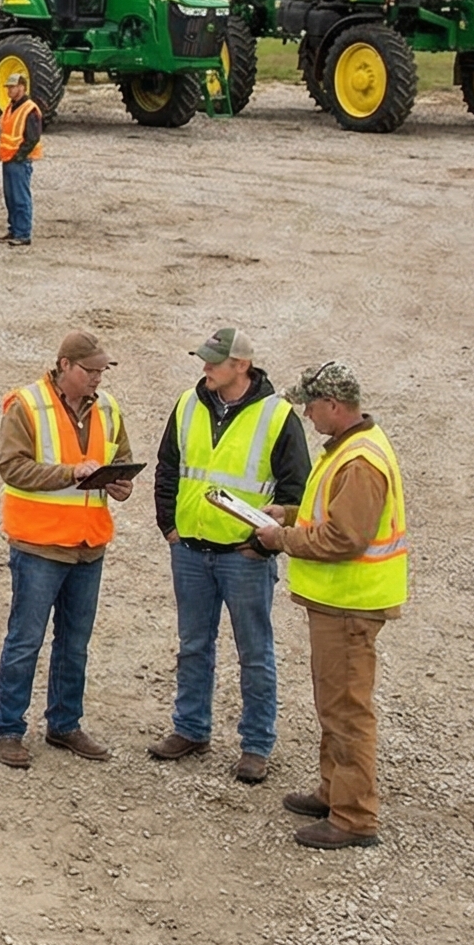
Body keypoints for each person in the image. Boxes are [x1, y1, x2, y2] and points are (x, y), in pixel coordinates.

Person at [253, 362, 408, 850]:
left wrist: (283, 537)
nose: (308, 413)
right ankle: (333, 791)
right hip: (339, 603)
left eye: (312, 404)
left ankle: (354, 816)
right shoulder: (351, 450)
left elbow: (344, 537)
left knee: (346, 710)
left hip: (350, 605)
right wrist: (294, 513)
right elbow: (335, 516)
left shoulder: (359, 461)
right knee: (334, 703)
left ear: (335, 406)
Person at [147, 327, 312, 784]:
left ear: (241, 366)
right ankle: (190, 728)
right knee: (193, 647)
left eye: (214, 361)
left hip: (246, 557)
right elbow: (168, 468)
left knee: (254, 653)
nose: (205, 368)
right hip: (192, 550)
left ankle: (256, 746)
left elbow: (298, 490)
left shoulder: (278, 417)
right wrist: (171, 527)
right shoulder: (186, 404)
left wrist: (262, 543)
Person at [0, 330, 134, 768]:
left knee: (75, 643)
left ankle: (64, 724)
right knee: (26, 640)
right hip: (40, 544)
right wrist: (70, 473)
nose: (97, 379)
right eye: (90, 371)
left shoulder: (107, 408)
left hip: (89, 544)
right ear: (65, 366)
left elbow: (121, 455)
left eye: (101, 370)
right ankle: (10, 729)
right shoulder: (27, 406)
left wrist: (119, 482)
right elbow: (12, 469)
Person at [0, 71, 43, 246]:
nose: (9, 91)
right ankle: (14, 229)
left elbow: (33, 137)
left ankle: (23, 233)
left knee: (20, 198)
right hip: (9, 159)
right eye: (8, 87)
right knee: (10, 197)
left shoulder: (29, 109)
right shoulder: (10, 107)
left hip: (19, 161)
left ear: (22, 88)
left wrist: (19, 155)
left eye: (12, 87)